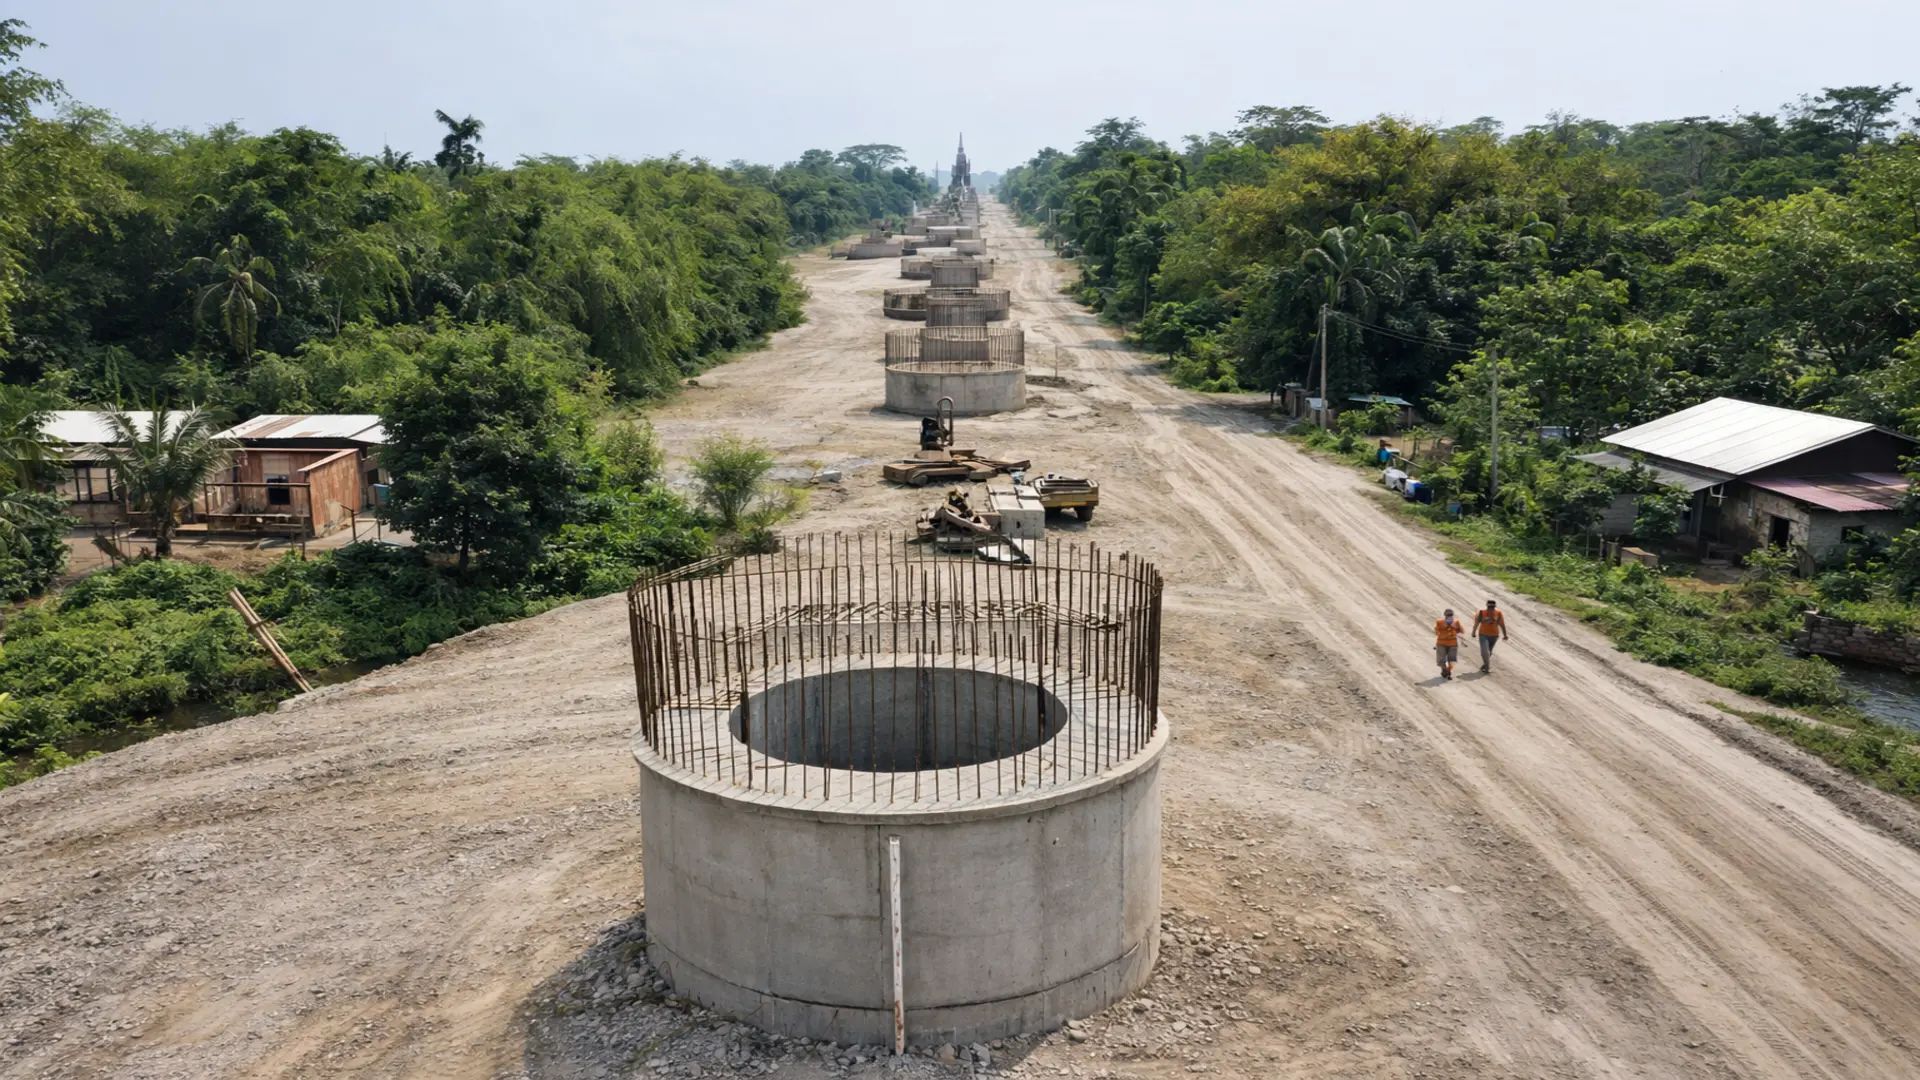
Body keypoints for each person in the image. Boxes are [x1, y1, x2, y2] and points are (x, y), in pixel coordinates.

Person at [1473, 599, 1508, 673]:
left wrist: (1505, 635)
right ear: (1487, 606)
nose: (1491, 608)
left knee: (1489, 651)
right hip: (1483, 634)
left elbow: (1502, 624)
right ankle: (1487, 667)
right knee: (1484, 651)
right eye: (1490, 607)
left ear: (1495, 607)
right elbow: (1477, 622)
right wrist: (1474, 632)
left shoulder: (1498, 613)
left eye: (1492, 607)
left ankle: (1485, 664)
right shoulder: (1482, 613)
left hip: (1494, 635)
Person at [1434, 608, 1462, 681]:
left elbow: (1460, 631)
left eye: (1450, 614)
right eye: (1448, 615)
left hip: (1450, 643)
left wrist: (1453, 627)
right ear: (1445, 615)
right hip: (1443, 643)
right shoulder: (1439, 622)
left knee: (1450, 660)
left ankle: (1446, 670)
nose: (1449, 616)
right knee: (1443, 659)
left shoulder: (1456, 622)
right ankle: (1446, 671)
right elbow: (1436, 631)